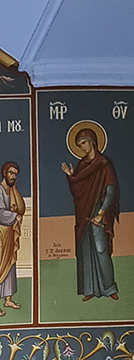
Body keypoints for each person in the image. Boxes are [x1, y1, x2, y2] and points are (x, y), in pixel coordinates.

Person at [61, 128, 119, 301]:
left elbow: (111, 191)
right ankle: (89, 289)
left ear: (93, 141)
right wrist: (72, 177)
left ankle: (109, 288)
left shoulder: (104, 164)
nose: (82, 147)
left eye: (84, 143)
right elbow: (78, 192)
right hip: (84, 215)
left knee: (101, 250)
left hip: (99, 213)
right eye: (79, 145)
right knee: (85, 251)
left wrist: (101, 213)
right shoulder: (81, 165)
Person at [0, 162, 24, 317]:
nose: (13, 176)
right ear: (4, 173)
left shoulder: (12, 190)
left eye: (15, 174)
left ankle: (8, 298)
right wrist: (14, 215)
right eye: (11, 173)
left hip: (8, 231)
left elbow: (20, 207)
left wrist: (16, 213)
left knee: (10, 262)